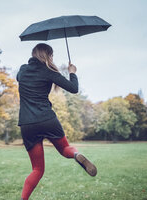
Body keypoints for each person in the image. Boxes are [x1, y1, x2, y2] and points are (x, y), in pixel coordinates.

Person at [16, 43, 97, 200]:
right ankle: (76, 155)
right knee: (65, 148)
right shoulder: (49, 72)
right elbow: (73, 88)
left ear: (33, 55)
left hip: (27, 124)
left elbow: (19, 77)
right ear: (49, 56)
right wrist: (71, 72)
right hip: (47, 119)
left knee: (37, 169)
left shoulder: (22, 70)